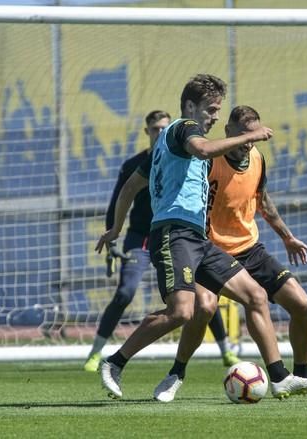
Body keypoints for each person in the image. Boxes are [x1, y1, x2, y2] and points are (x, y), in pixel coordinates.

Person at [95, 73, 307, 400]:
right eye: (211, 109)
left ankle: (280, 377)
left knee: (256, 295)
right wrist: (254, 135)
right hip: (173, 234)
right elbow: (203, 151)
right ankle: (114, 361)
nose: (215, 116)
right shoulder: (185, 129)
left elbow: (131, 187)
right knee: (183, 312)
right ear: (190, 106)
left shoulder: (164, 144)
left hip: (198, 238)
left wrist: (115, 228)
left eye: (218, 109)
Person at [152, 105, 307, 402]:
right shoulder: (208, 161)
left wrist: (287, 238)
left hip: (250, 249)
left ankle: (302, 377)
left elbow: (263, 202)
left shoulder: (257, 160)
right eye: (242, 136)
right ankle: (176, 374)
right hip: (207, 250)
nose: (248, 142)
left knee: (304, 306)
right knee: (203, 308)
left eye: (253, 137)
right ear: (228, 133)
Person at [84, 110, 240, 373]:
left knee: (204, 295)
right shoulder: (137, 163)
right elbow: (122, 196)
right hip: (141, 237)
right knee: (126, 292)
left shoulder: (183, 156)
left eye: (164, 128)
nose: (160, 133)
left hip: (180, 236)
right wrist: (113, 232)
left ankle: (226, 351)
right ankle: (96, 353)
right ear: (147, 132)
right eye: (155, 129)